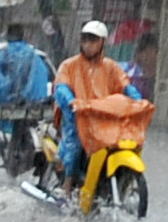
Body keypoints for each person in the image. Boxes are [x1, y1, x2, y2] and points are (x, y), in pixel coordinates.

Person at [54, 19, 143, 189]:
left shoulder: (111, 67)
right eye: (85, 39)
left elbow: (126, 86)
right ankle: (67, 184)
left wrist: (138, 101)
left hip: (104, 120)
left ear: (102, 42)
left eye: (93, 40)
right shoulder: (69, 65)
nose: (88, 44)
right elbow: (61, 88)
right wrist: (72, 101)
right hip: (77, 117)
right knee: (75, 145)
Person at [0, 23, 49, 166]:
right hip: (30, 103)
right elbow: (41, 77)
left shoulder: (2, 54)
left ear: (8, 36)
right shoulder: (33, 54)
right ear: (23, 36)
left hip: (5, 102)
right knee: (23, 121)